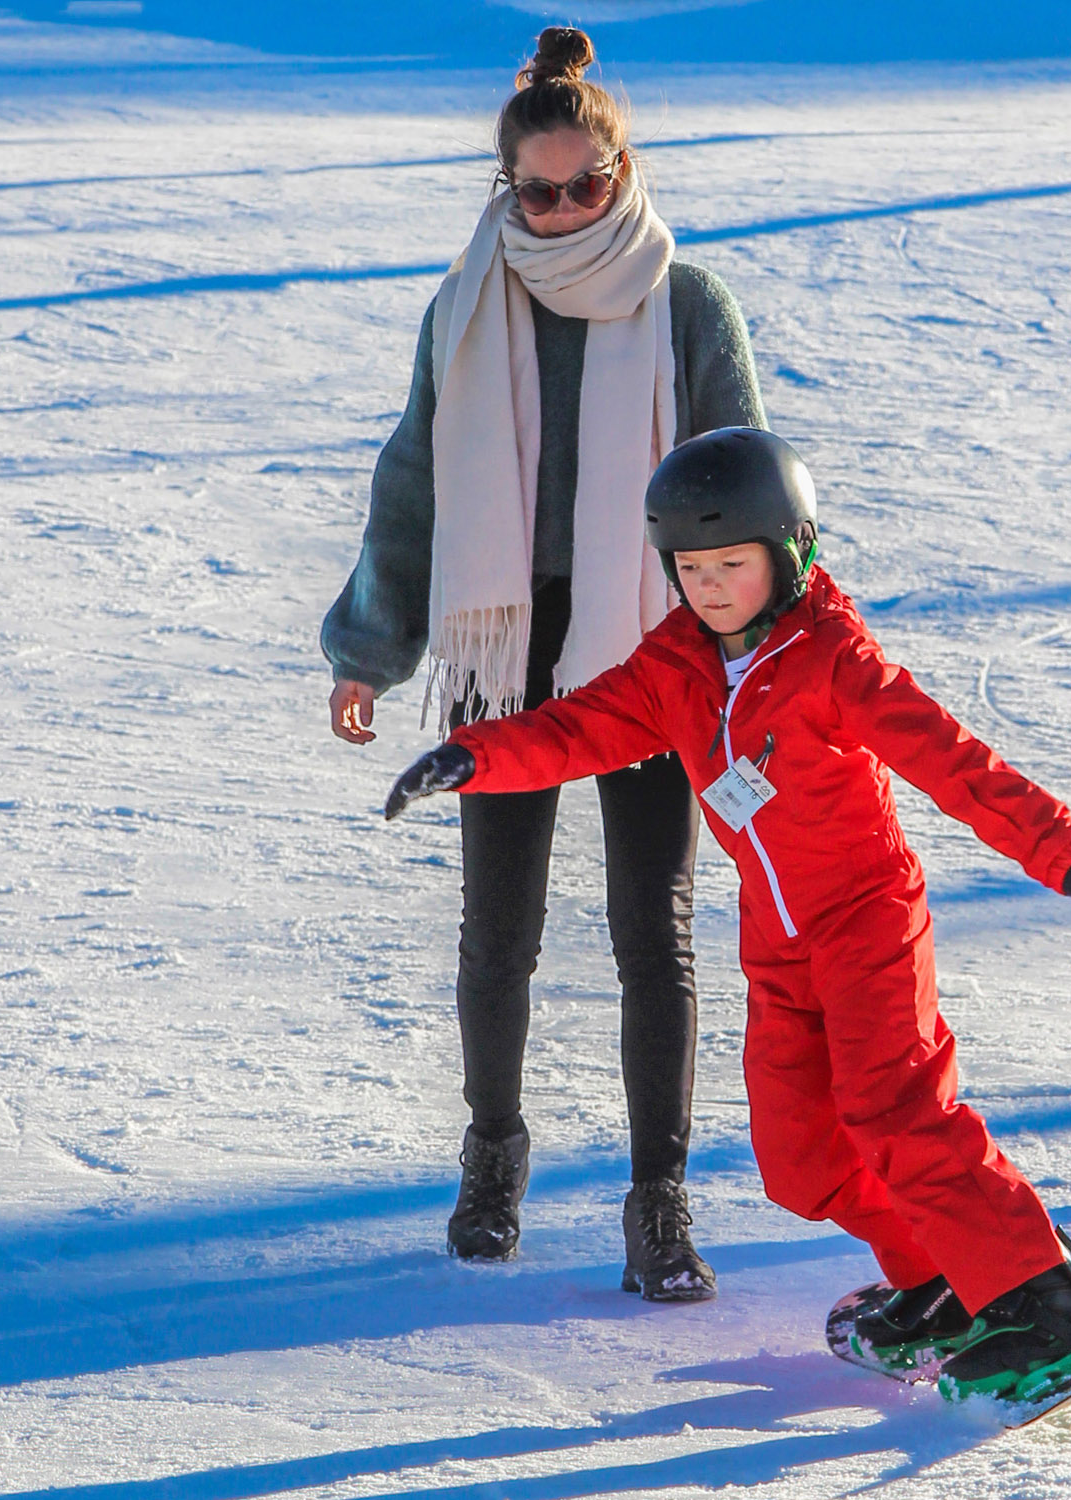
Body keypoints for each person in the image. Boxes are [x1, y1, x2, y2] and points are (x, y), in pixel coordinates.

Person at [384, 427, 1071, 1402]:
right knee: (799, 1161)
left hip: (868, 923)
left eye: (731, 564)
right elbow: (580, 727)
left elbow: (949, 761)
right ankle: (948, 1274)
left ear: (791, 552)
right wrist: (477, 757)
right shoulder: (676, 667)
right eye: (689, 567)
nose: (707, 587)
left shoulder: (833, 659)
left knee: (900, 1112)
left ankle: (1046, 1302)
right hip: (779, 947)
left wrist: (1063, 848)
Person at [320, 26, 767, 1297]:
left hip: (652, 650)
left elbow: (744, 493)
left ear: (623, 170)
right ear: (505, 188)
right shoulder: (469, 305)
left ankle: (657, 1202)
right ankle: (494, 1158)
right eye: (541, 189)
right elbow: (413, 478)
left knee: (654, 933)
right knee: (497, 932)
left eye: (587, 184)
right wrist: (370, 645)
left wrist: (753, 663)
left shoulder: (685, 305)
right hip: (503, 647)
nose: (566, 208)